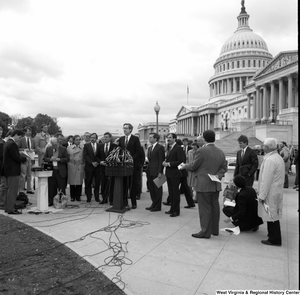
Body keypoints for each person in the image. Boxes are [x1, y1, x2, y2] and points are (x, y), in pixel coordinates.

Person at [181, 130, 227, 238]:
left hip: (203, 184)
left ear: (204, 138)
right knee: (214, 207)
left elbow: (193, 166)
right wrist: (217, 175)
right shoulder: (220, 151)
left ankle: (205, 231)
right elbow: (224, 168)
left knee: (204, 208)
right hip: (215, 184)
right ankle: (214, 230)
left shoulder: (202, 151)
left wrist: (184, 166)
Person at [258, 138, 285, 246]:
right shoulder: (276, 157)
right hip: (275, 190)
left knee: (271, 214)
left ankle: (274, 239)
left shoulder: (270, 160)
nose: (262, 147)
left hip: (270, 191)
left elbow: (266, 180)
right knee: (272, 213)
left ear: (267, 147)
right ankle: (272, 236)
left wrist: (262, 195)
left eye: (263, 145)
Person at [3, 129, 27, 214]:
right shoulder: (13, 144)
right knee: (12, 190)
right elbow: (16, 157)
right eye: (19, 137)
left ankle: (7, 207)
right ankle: (11, 208)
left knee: (8, 190)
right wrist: (24, 158)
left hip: (7, 170)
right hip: (13, 171)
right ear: (16, 135)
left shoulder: (7, 143)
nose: (19, 139)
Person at [119, 123, 142, 209]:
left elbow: (138, 151)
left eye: (126, 128)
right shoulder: (121, 139)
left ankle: (133, 203)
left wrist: (131, 158)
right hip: (123, 166)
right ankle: (124, 202)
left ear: (130, 130)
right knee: (124, 184)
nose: (124, 130)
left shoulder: (135, 139)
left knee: (132, 185)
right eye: (123, 128)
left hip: (132, 166)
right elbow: (119, 151)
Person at [162, 133, 184, 217]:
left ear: (174, 138)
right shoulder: (169, 148)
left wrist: (169, 164)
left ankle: (176, 211)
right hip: (169, 173)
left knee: (175, 193)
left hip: (175, 173)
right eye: (167, 137)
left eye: (170, 137)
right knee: (171, 193)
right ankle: (172, 209)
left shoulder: (178, 148)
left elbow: (180, 161)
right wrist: (165, 162)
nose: (168, 139)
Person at [44, 137, 69, 206]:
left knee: (61, 188)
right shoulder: (49, 149)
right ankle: (51, 201)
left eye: (56, 144)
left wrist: (59, 159)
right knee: (51, 188)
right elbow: (44, 158)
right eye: (53, 144)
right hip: (52, 171)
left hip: (60, 171)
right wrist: (50, 159)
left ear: (58, 143)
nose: (54, 146)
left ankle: (62, 202)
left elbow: (67, 158)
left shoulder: (63, 149)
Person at [145, 132, 165, 212]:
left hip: (157, 171)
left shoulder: (160, 147)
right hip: (149, 171)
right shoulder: (149, 148)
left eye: (150, 137)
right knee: (152, 189)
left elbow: (161, 160)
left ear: (155, 138)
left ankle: (157, 206)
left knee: (157, 189)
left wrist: (160, 172)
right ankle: (153, 203)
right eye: (149, 137)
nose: (149, 139)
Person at [83, 133, 101, 203]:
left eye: (94, 137)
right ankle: (89, 197)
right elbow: (85, 155)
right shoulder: (86, 145)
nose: (92, 139)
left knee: (97, 183)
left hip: (97, 166)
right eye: (91, 137)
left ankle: (97, 197)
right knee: (88, 182)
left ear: (96, 138)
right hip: (89, 166)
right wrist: (91, 162)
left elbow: (100, 155)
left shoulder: (100, 145)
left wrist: (97, 162)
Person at [99, 132, 116, 204]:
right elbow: (97, 156)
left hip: (111, 168)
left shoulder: (114, 146)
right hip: (103, 168)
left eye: (106, 137)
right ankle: (104, 199)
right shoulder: (100, 146)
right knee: (103, 184)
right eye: (104, 137)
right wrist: (100, 161)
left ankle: (111, 199)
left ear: (110, 138)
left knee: (111, 184)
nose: (105, 138)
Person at [18, 126, 36, 194]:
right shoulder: (21, 139)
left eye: (30, 131)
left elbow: (35, 149)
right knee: (23, 175)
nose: (30, 132)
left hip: (30, 158)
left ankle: (29, 189)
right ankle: (21, 190)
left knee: (29, 174)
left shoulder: (33, 140)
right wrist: (24, 149)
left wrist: (32, 150)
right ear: (25, 132)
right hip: (23, 159)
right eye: (28, 131)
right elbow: (17, 148)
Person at [67, 135, 84, 201]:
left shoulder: (83, 147)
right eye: (76, 139)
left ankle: (78, 196)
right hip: (72, 165)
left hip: (79, 165)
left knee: (79, 182)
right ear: (73, 140)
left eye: (79, 139)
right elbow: (67, 157)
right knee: (72, 182)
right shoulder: (69, 148)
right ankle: (72, 196)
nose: (78, 141)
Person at [0, 127, 5, 210]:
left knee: (2, 184)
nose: (0, 132)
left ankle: (2, 202)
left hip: (2, 164)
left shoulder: (3, 141)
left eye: (1, 131)